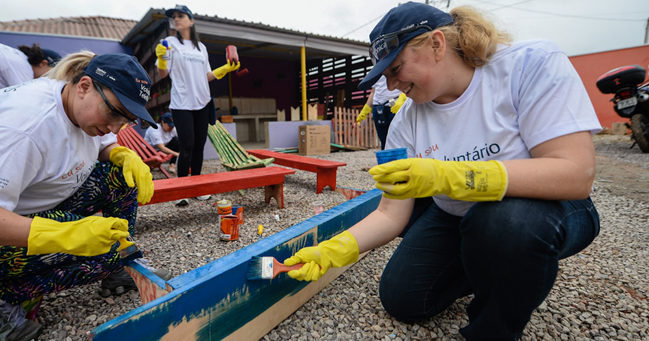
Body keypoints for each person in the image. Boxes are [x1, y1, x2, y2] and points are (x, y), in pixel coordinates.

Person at [283, 2, 601, 340]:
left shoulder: (528, 64)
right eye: (385, 75)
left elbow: (576, 174)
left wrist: (448, 176)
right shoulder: (405, 121)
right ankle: (500, 267)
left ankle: (492, 327)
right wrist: (334, 250)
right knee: (403, 298)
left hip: (545, 207)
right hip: (458, 215)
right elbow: (392, 214)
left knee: (503, 224)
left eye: (397, 68)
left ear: (437, 44)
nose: (392, 86)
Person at [0, 51, 170, 340]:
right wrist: (64, 234)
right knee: (105, 251)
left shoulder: (74, 100)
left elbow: (99, 140)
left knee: (120, 178)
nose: (114, 128)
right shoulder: (22, 125)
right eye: (114, 113)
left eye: (126, 120)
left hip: (14, 203)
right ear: (84, 85)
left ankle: (115, 268)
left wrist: (121, 153)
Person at [154, 4, 240, 206]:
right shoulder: (169, 43)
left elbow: (207, 76)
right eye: (174, 16)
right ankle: (181, 190)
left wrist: (226, 69)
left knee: (200, 145)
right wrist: (161, 58)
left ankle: (197, 187)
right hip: (182, 103)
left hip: (202, 101)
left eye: (181, 16)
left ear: (191, 21)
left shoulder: (201, 48)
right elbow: (163, 74)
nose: (176, 19)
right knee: (187, 145)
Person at [356, 75, 407, 150]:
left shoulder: (395, 66)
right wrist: (365, 109)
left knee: (397, 137)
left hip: (394, 106)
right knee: (383, 138)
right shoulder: (375, 72)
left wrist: (402, 97)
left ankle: (400, 159)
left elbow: (407, 83)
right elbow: (373, 92)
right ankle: (386, 159)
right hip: (378, 108)